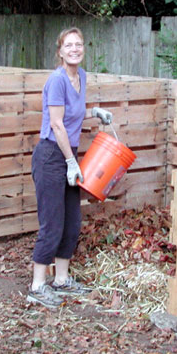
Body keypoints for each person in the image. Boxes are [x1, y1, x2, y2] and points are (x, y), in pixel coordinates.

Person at [27, 27, 113, 308]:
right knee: (52, 222)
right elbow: (56, 123)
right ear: (60, 51)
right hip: (52, 155)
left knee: (73, 221)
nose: (74, 49)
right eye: (69, 45)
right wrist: (70, 161)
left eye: (79, 44)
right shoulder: (57, 80)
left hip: (68, 155)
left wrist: (94, 112)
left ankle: (61, 280)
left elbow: (72, 113)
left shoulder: (81, 77)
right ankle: (38, 286)